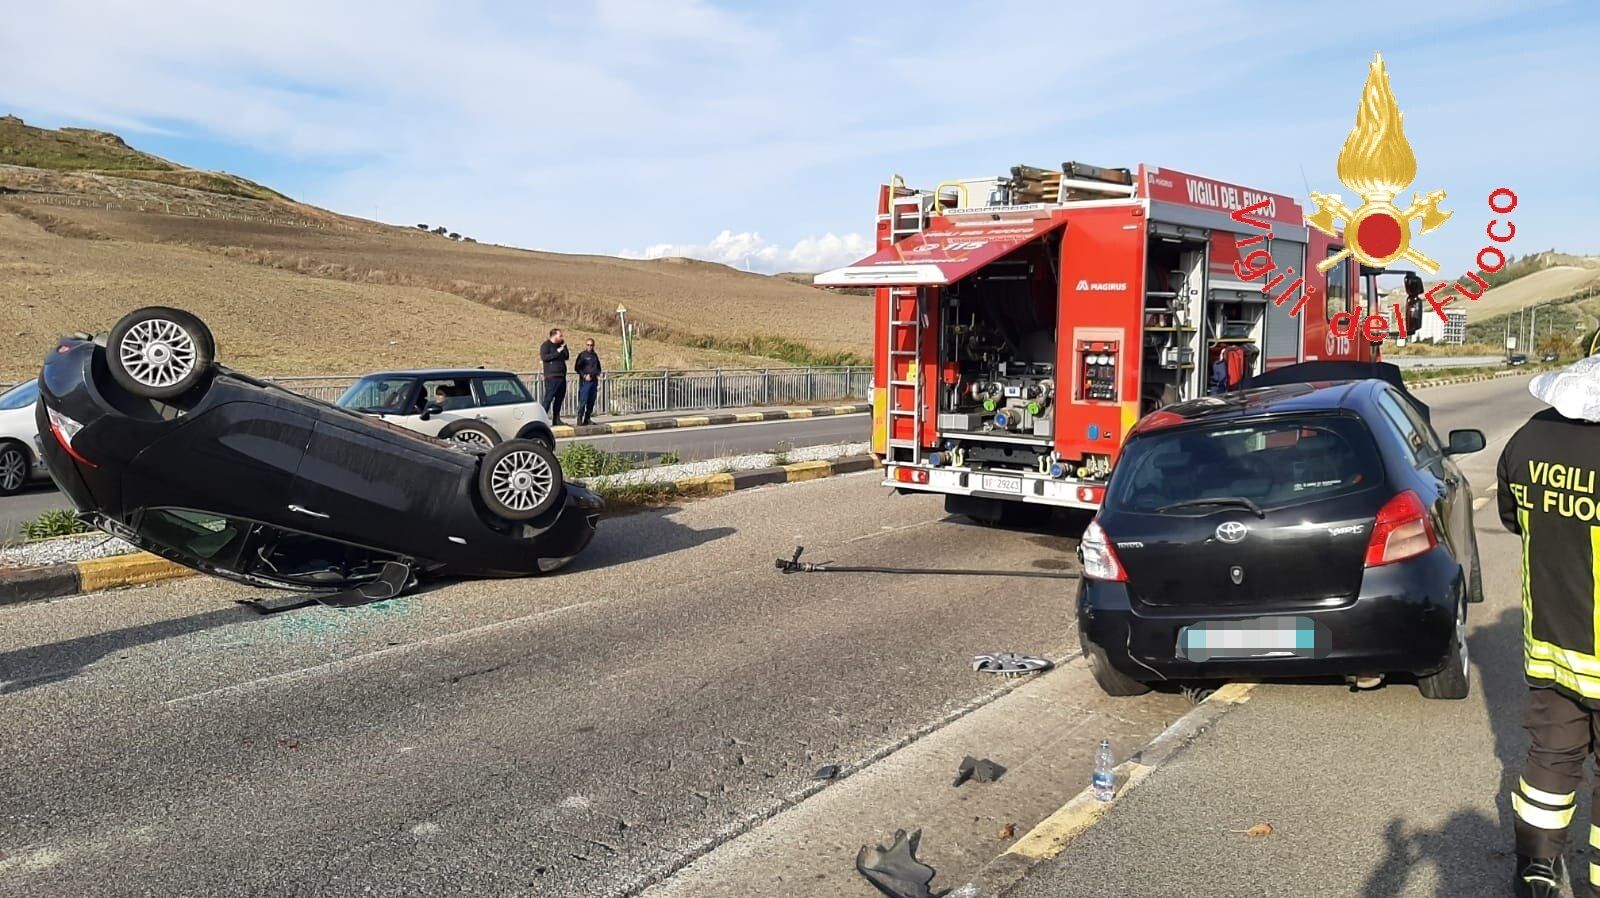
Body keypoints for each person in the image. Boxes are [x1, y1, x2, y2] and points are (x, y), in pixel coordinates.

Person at [1499, 356, 1600, 898]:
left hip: (1552, 647)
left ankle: (1534, 874)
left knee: (1551, 760)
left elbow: (1515, 519)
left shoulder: (1528, 438)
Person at [539, 328, 569, 426]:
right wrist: (558, 352)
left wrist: (564, 348)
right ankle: (542, 419)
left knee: (559, 399)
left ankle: (556, 419)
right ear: (554, 336)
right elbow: (545, 357)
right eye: (560, 336)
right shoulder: (546, 346)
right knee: (548, 398)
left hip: (561, 376)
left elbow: (567, 357)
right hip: (552, 377)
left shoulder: (561, 345)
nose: (561, 337)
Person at [574, 338, 603, 426]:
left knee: (591, 401)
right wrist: (584, 375)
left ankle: (587, 418)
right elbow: (577, 368)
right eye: (588, 345)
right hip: (585, 382)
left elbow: (598, 367)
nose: (589, 346)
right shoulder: (582, 355)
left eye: (591, 345)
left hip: (594, 381)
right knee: (583, 400)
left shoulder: (595, 355)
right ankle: (579, 418)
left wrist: (597, 373)